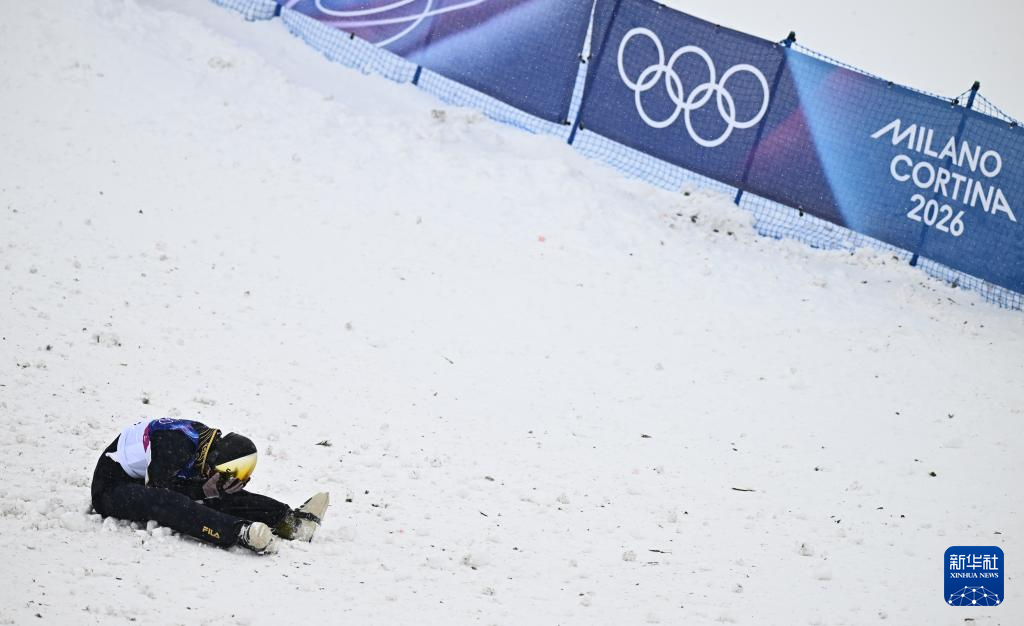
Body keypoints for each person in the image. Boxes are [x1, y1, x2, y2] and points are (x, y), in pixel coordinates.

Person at [91, 417, 329, 554]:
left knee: (216, 493)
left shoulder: (206, 443)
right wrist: (203, 490)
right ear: (216, 459)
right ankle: (240, 533)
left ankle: (290, 523)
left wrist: (212, 489)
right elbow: (160, 491)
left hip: (146, 479)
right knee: (172, 501)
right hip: (110, 489)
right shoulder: (175, 444)